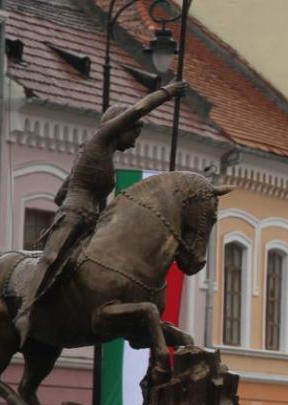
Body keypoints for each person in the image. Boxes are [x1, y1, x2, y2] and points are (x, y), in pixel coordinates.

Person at [14, 80, 188, 344]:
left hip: (92, 221)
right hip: (74, 216)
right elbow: (138, 109)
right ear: (120, 128)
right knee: (50, 258)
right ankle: (25, 313)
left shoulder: (99, 155)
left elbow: (60, 192)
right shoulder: (99, 140)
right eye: (134, 136)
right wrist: (168, 93)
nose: (133, 144)